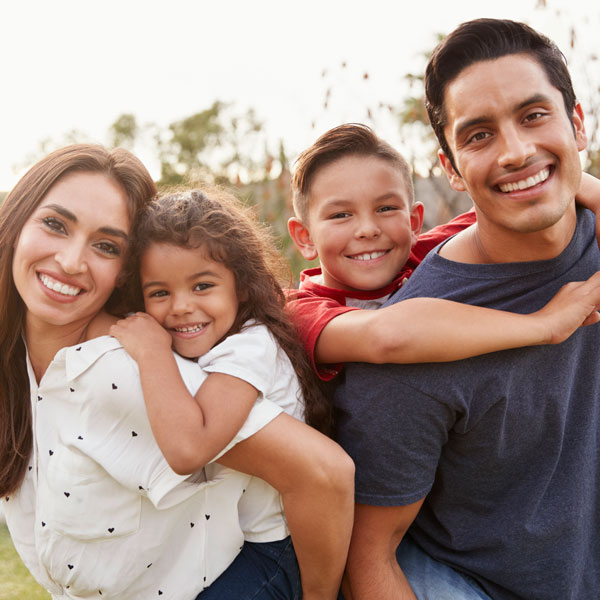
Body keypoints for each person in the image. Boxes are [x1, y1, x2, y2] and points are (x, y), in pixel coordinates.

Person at [0, 145, 353, 600]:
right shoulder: (21, 357)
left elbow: (322, 474)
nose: (70, 261)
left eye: (105, 245)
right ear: (16, 220)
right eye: (55, 224)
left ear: (122, 273)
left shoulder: (126, 369)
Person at [335, 18, 600, 600]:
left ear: (577, 124)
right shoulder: (416, 349)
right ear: (451, 167)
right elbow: (368, 558)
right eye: (479, 135)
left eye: (534, 116)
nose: (516, 151)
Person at [109, 187, 353, 599]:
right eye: (160, 293)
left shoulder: (249, 346)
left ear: (240, 287)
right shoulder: (212, 343)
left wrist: (151, 352)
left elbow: (190, 449)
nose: (181, 306)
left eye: (202, 286)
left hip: (278, 550)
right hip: (235, 543)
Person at [287, 122, 600, 381]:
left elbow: (517, 202)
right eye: (341, 215)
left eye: (386, 208)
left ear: (414, 223)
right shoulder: (296, 310)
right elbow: (388, 336)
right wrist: (545, 325)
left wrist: (594, 195)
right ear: (305, 237)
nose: (368, 229)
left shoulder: (426, 254)